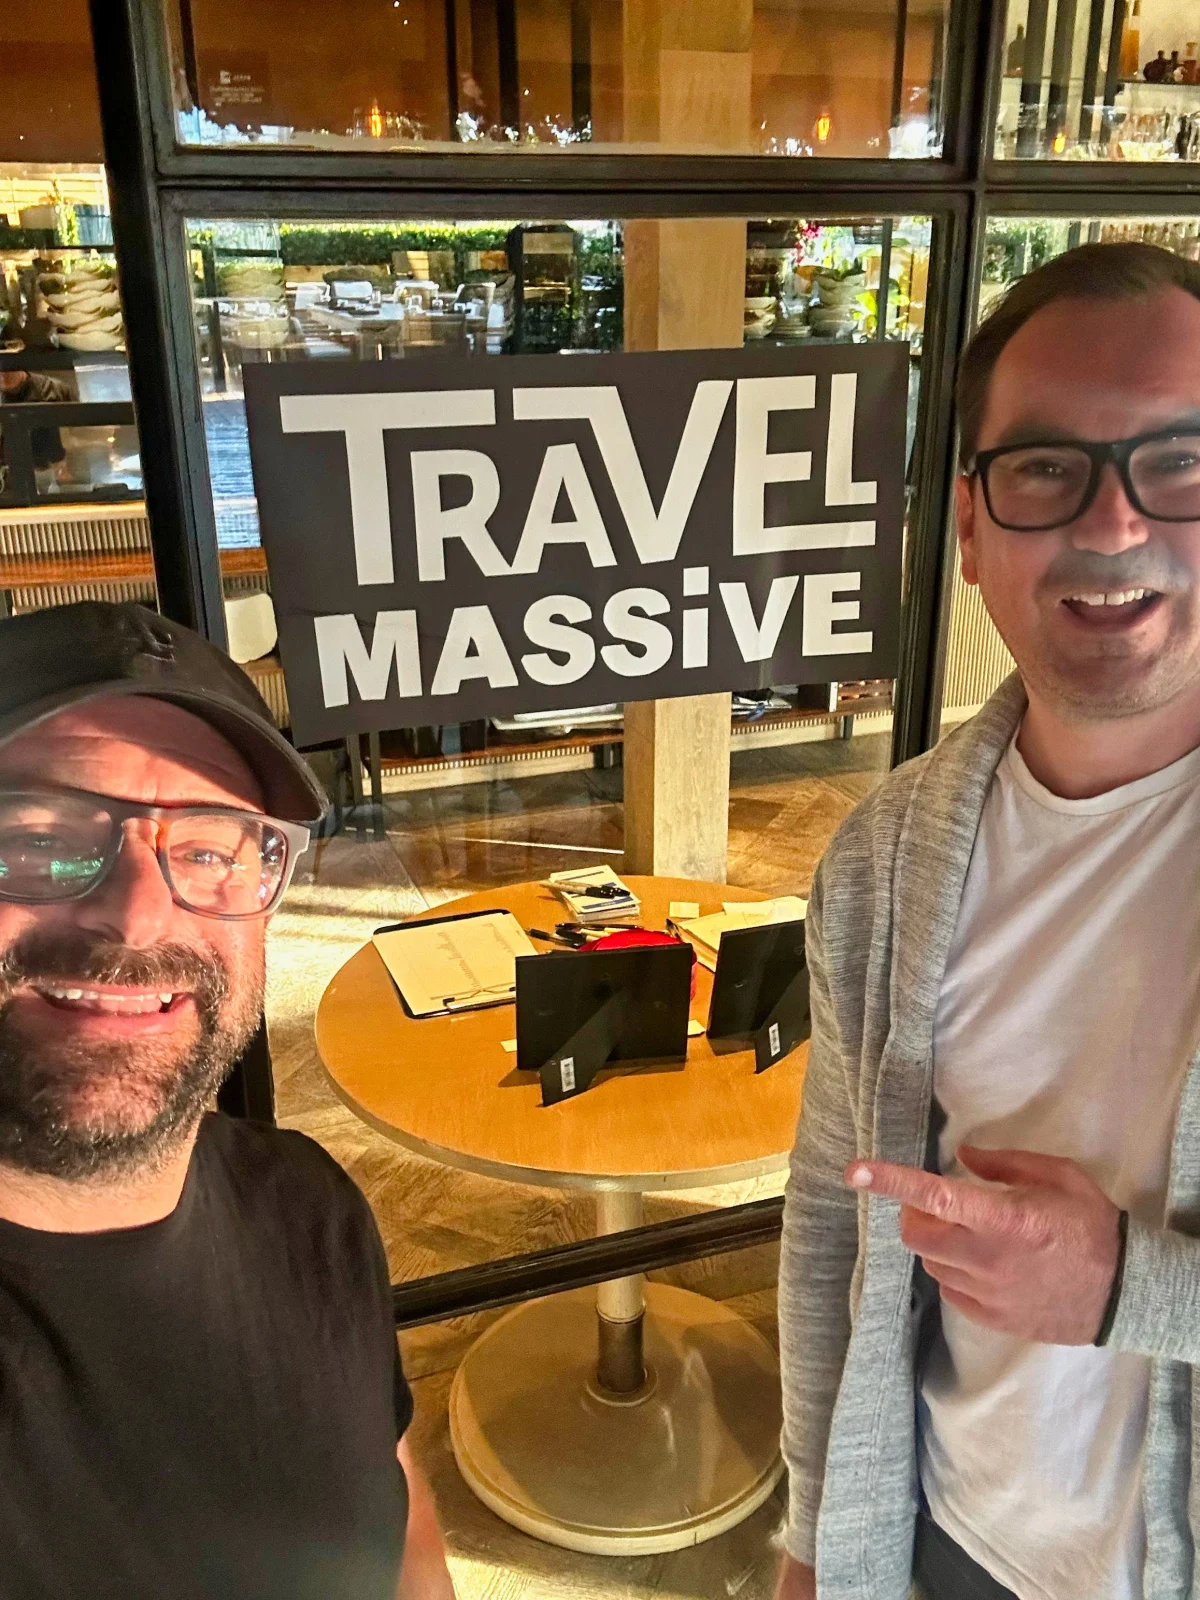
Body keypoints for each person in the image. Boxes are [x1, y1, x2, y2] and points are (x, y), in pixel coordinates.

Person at [774, 241, 1200, 1600]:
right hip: (944, 1549)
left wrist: (1130, 1288)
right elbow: (832, 1226)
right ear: (969, 527)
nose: (1114, 526)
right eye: (1045, 468)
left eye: (1180, 462)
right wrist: (813, 1541)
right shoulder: (886, 856)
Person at [0, 600, 454, 1600]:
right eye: (38, 836)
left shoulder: (308, 1206)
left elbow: (397, 1501)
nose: (136, 915)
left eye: (208, 849)